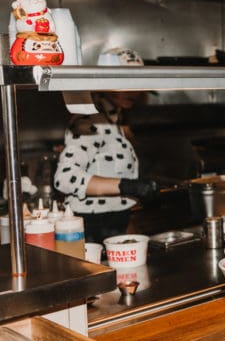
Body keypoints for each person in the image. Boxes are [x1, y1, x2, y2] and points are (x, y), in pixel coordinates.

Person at [54, 89, 158, 243]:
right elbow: (64, 177)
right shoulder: (90, 120)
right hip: (92, 226)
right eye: (123, 84)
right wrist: (127, 186)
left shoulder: (113, 118)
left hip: (114, 222)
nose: (132, 92)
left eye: (136, 84)